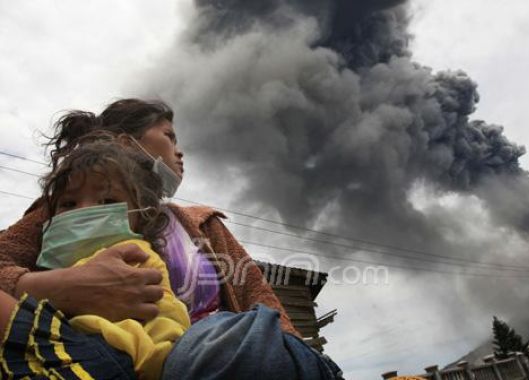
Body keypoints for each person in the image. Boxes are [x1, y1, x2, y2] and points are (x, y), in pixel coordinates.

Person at [0, 98, 343, 379]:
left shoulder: (203, 224)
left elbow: (261, 298)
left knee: (226, 345)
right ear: (125, 143)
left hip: (219, 357)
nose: (179, 152)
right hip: (106, 357)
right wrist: (63, 288)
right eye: (170, 136)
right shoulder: (65, 209)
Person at [0, 138, 190, 379]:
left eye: (107, 201)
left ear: (142, 215)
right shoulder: (44, 264)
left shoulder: (135, 256)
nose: (83, 211)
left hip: (115, 359)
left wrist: (152, 362)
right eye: (68, 203)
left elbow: (167, 318)